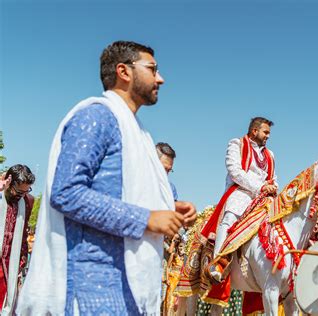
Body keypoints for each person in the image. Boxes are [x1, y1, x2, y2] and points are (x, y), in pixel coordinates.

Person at [16, 41, 196, 315]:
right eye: (152, 69)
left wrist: (168, 210)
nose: (161, 78)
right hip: (92, 287)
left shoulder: (139, 133)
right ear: (124, 71)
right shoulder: (97, 116)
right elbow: (67, 192)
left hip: (124, 289)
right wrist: (146, 218)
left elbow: (122, 193)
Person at [205, 117, 278, 283]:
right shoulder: (237, 144)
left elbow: (273, 177)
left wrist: (273, 187)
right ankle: (218, 263)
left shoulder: (270, 155)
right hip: (241, 191)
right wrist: (260, 187)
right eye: (266, 132)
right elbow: (234, 171)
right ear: (254, 131)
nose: (268, 136)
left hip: (264, 197)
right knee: (231, 216)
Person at [0, 165, 35, 313]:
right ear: (9, 182)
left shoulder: (28, 201)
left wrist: (22, 260)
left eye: (27, 191)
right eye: (20, 191)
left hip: (10, 263)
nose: (23, 195)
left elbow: (23, 235)